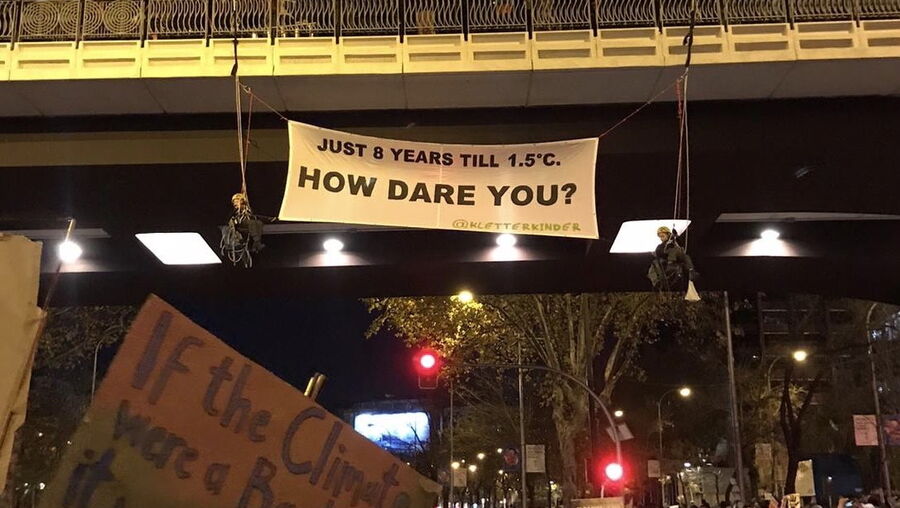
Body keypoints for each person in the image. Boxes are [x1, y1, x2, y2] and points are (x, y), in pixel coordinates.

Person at [647, 226, 697, 291]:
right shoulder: (660, 246)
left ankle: (689, 271)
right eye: (660, 237)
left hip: (673, 261)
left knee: (677, 253)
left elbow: (681, 251)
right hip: (663, 263)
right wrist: (655, 253)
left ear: (668, 235)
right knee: (653, 268)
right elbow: (658, 253)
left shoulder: (673, 243)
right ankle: (657, 282)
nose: (661, 238)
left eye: (663, 236)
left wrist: (675, 236)